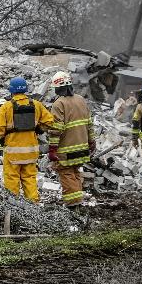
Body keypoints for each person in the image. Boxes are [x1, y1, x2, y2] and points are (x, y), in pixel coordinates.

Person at [0, 77, 54, 203]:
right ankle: (33, 207)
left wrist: (4, 137)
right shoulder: (36, 104)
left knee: (11, 179)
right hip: (31, 151)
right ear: (26, 90)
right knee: (30, 179)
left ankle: (12, 206)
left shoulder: (6, 107)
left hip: (12, 153)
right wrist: (38, 129)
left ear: (11, 91)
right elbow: (49, 121)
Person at [47, 71, 95, 208]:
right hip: (82, 148)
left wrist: (52, 149)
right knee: (75, 173)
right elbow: (89, 123)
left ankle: (73, 205)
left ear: (56, 87)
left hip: (66, 150)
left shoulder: (59, 104)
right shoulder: (80, 99)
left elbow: (56, 129)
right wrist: (92, 141)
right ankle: (77, 200)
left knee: (66, 174)